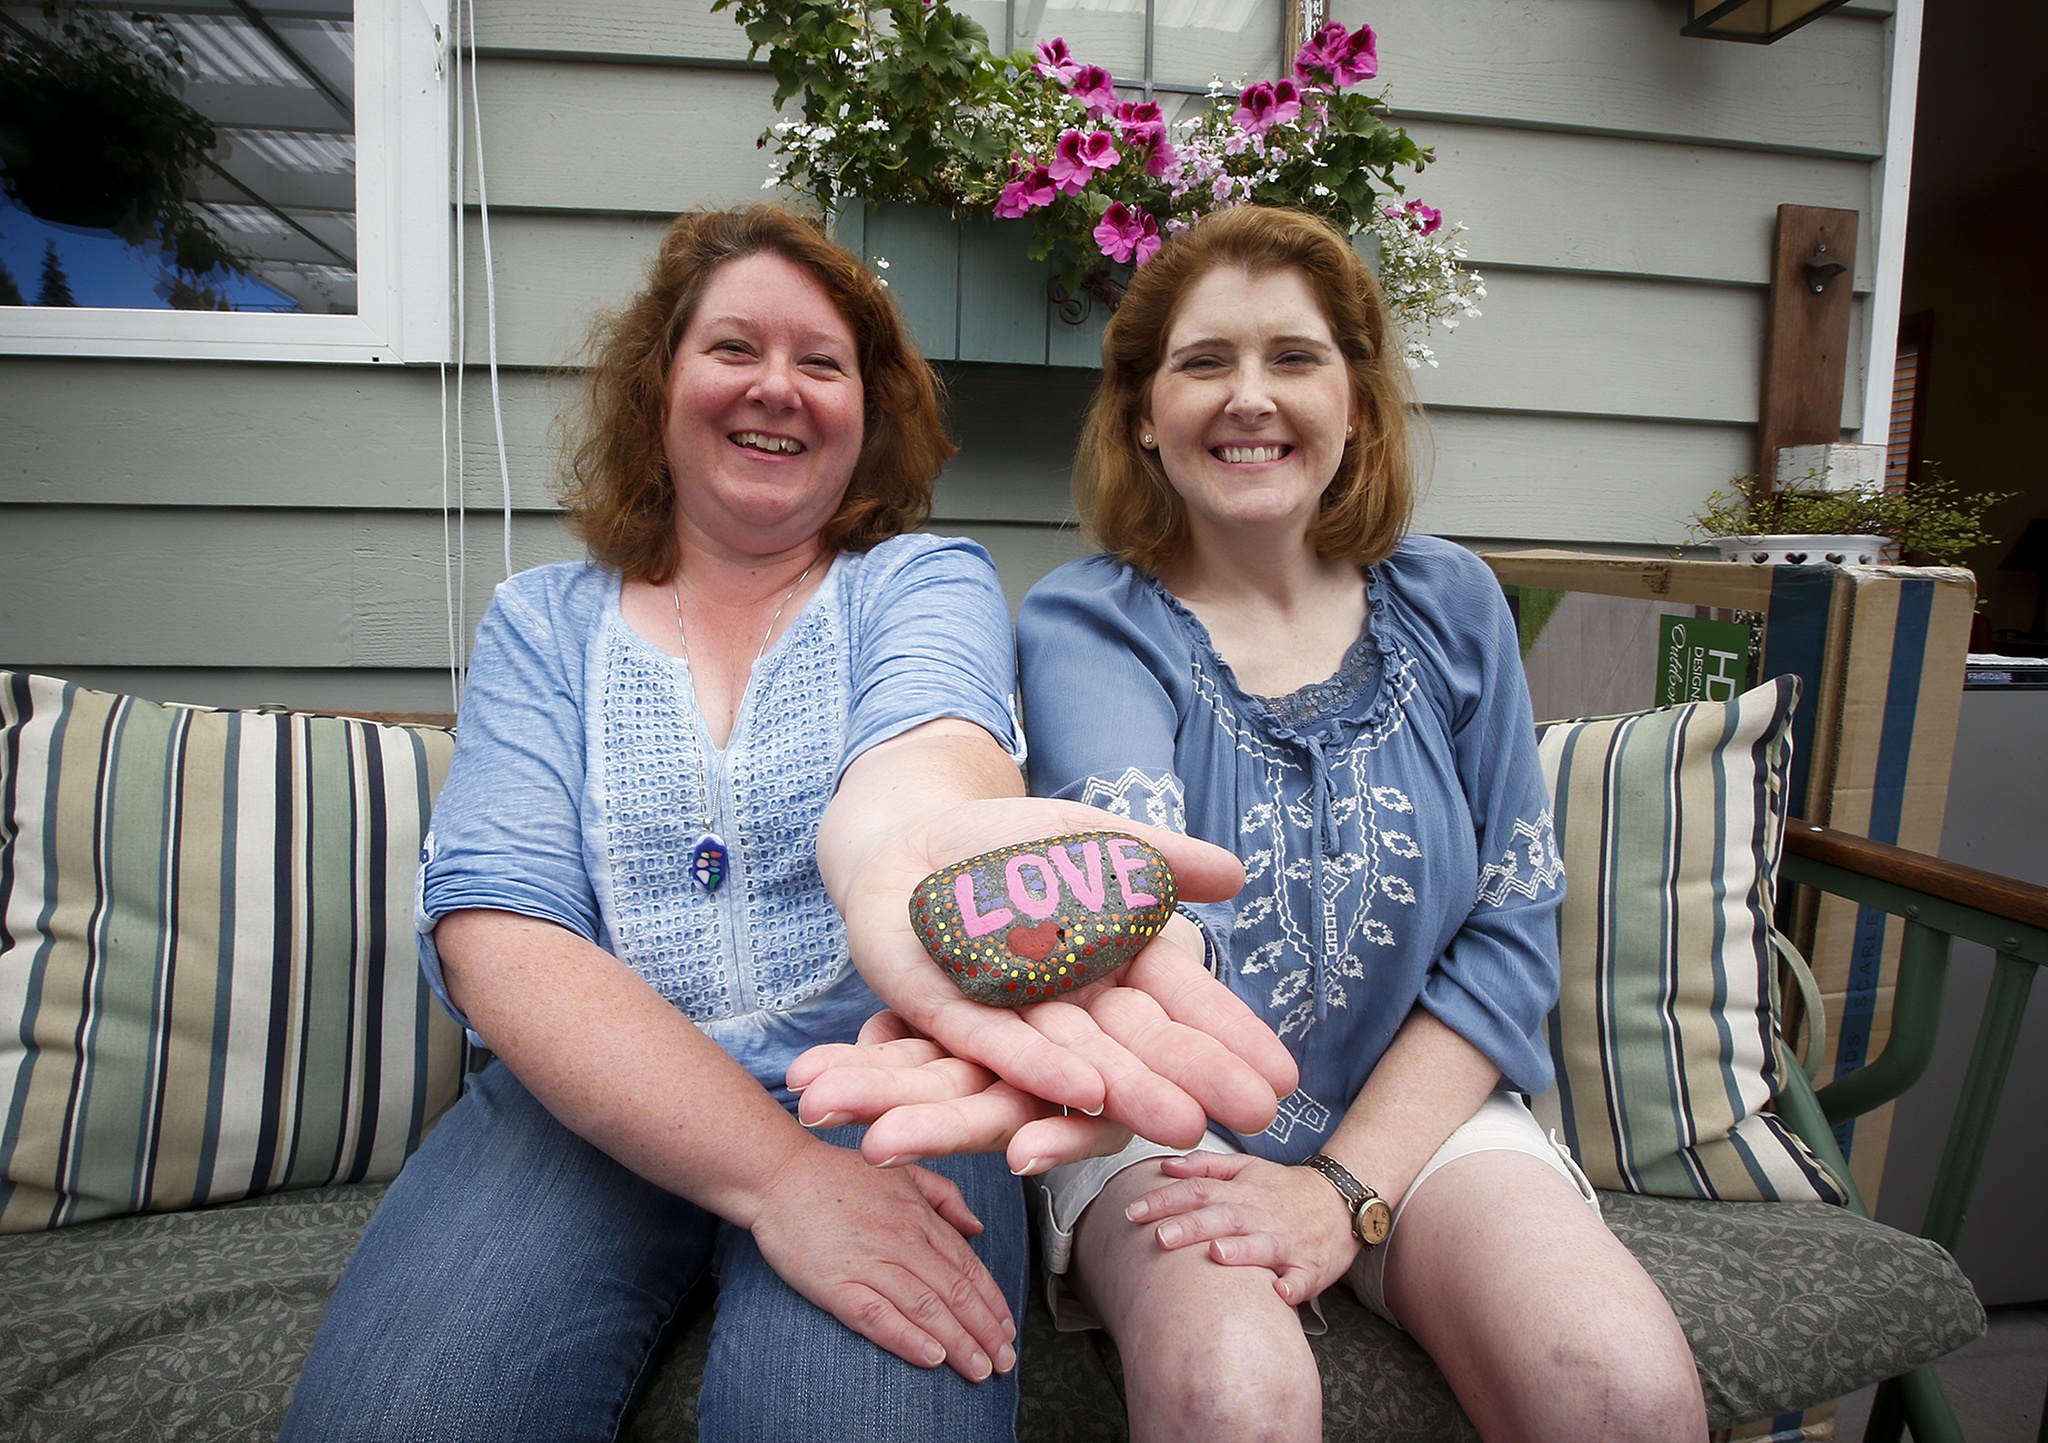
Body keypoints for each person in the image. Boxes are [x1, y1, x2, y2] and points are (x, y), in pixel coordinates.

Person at [280, 204, 1290, 1443]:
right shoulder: (540, 623)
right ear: (659, 385)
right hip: (584, 1103)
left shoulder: (920, 583)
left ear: (868, 415)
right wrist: (775, 1179)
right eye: (732, 350)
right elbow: (502, 933)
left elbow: (927, 758)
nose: (779, 388)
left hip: (880, 1083)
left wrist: (918, 857)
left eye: (823, 364)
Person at [798, 205, 1708, 1442]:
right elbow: (1147, 926)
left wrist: (1342, 1189)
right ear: (1139, 414)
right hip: (1162, 1119)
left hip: (1420, 1110)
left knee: (1622, 1389)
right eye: (1203, 361)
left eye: (1292, 357)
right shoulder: (1090, 627)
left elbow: (1508, 926)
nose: (1249, 397)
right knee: (1235, 1394)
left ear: (1356, 401)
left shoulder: (1452, 605)